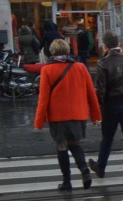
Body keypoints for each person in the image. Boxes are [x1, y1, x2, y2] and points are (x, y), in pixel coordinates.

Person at [34, 38, 101, 192]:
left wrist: (39, 121)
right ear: (68, 50)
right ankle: (84, 168)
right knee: (75, 144)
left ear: (51, 52)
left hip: (58, 117)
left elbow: (43, 98)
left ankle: (67, 181)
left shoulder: (47, 70)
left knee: (62, 146)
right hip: (78, 114)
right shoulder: (81, 67)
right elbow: (91, 93)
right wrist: (96, 116)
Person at [88, 31, 123, 189]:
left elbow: (101, 90)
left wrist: (99, 109)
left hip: (111, 105)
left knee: (107, 138)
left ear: (105, 46)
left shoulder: (103, 63)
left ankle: (101, 167)